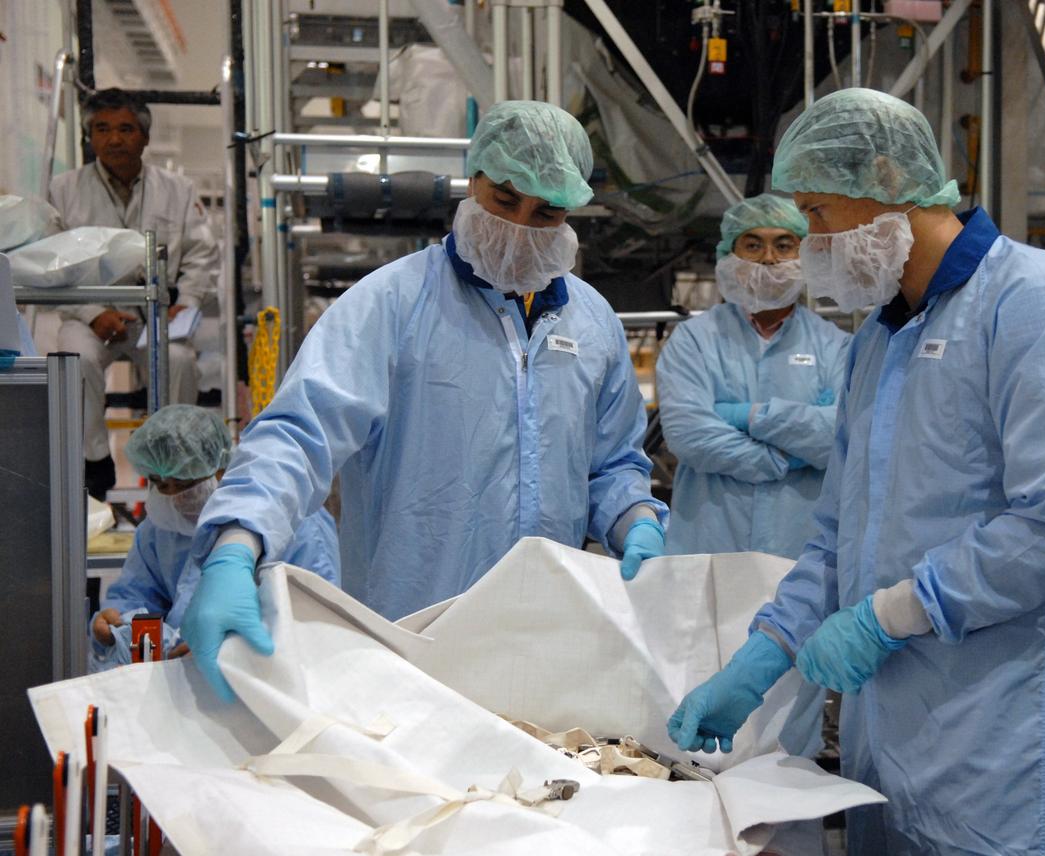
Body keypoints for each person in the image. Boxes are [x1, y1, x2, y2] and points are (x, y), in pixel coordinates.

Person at [667, 88, 1045, 854]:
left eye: (816, 213)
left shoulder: (1036, 301)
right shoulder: (883, 336)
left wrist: (892, 615)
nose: (808, 245)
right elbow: (842, 532)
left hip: (1000, 740)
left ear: (884, 177)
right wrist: (764, 654)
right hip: (890, 740)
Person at [179, 101, 668, 702]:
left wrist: (635, 521)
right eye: (504, 200)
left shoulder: (592, 323)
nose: (520, 224)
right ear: (473, 181)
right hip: (409, 633)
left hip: (544, 634)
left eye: (547, 212)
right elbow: (300, 434)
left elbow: (612, 463)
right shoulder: (391, 303)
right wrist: (236, 543)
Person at [658, 194, 850, 558]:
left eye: (784, 244)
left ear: (806, 253)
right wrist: (786, 457)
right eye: (752, 244)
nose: (768, 258)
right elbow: (689, 434)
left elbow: (838, 436)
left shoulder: (835, 346)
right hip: (708, 544)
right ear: (730, 255)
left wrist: (743, 415)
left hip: (801, 549)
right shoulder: (694, 340)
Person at [49, 88, 218, 500]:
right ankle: (93, 462)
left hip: (154, 314)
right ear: (90, 137)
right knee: (74, 359)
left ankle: (173, 461)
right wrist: (92, 312)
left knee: (178, 360)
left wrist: (187, 303)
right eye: (102, 129)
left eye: (125, 129)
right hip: (88, 314)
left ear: (144, 137)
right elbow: (53, 260)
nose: (114, 139)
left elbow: (201, 254)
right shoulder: (64, 189)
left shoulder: (176, 190)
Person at [89, 405, 339, 672]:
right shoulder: (160, 528)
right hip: (181, 680)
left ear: (221, 467)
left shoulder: (295, 523)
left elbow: (315, 623)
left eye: (184, 483)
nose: (174, 497)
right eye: (160, 484)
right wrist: (114, 623)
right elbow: (135, 595)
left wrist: (234, 648)